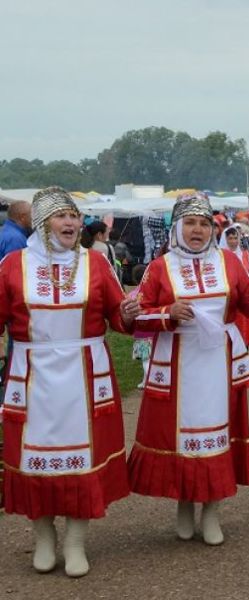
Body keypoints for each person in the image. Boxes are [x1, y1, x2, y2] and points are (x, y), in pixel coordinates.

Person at [0, 187, 140, 577]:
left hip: (83, 374)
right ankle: (44, 537)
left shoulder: (96, 264)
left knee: (85, 456)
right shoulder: (13, 265)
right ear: (43, 224)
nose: (71, 223)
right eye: (61, 216)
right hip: (32, 376)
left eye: (74, 216)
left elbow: (121, 321)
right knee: (33, 457)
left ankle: (76, 541)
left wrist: (129, 312)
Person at [128, 192, 249, 547]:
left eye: (204, 224)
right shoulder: (160, 267)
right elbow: (135, 317)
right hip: (177, 362)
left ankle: (211, 510)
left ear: (213, 229)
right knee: (179, 434)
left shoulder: (229, 261)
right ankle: (183, 502)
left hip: (218, 364)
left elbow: (247, 306)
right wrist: (167, 313)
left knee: (217, 432)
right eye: (190, 223)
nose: (197, 230)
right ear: (177, 228)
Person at [220, 224, 249, 347]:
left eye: (235, 238)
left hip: (244, 295)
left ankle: (244, 358)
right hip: (229, 297)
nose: (233, 241)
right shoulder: (220, 257)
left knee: (245, 329)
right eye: (230, 238)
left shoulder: (245, 254)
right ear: (225, 239)